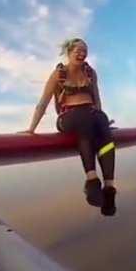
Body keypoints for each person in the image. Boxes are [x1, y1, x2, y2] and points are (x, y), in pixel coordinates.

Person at [24, 37, 116, 216]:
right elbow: (43, 103)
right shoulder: (59, 74)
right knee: (84, 119)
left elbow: (97, 98)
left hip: (89, 114)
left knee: (101, 123)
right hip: (67, 117)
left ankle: (109, 188)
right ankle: (91, 179)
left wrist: (101, 118)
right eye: (78, 51)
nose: (82, 54)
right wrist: (31, 129)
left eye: (85, 51)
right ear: (69, 53)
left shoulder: (90, 73)